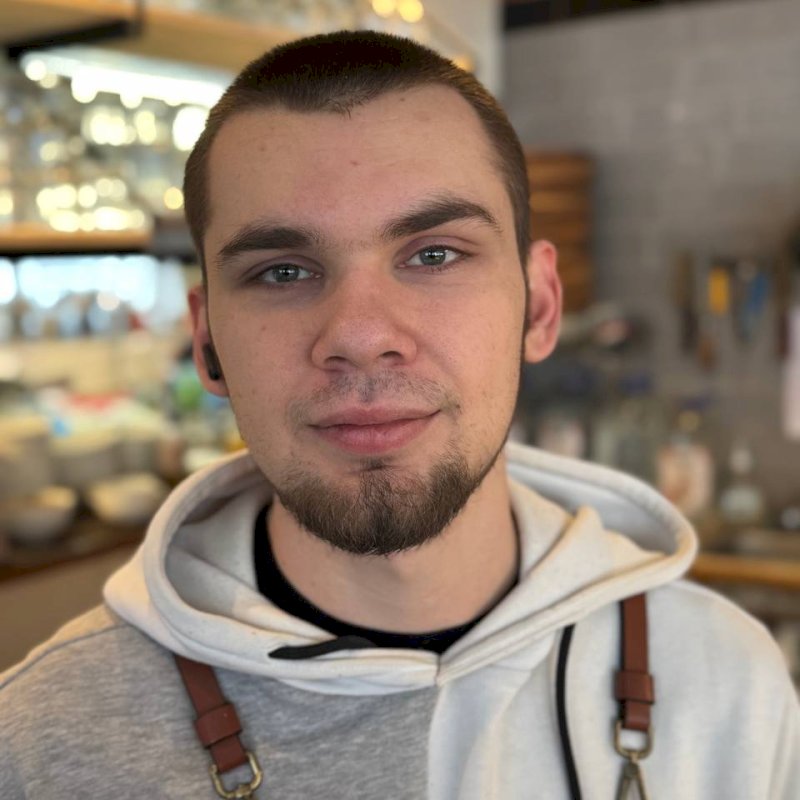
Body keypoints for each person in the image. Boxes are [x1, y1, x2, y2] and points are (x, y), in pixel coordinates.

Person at [1, 30, 797, 800]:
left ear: (539, 307)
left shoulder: (727, 684)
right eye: (282, 272)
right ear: (208, 342)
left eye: (434, 255)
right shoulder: (43, 747)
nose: (360, 337)